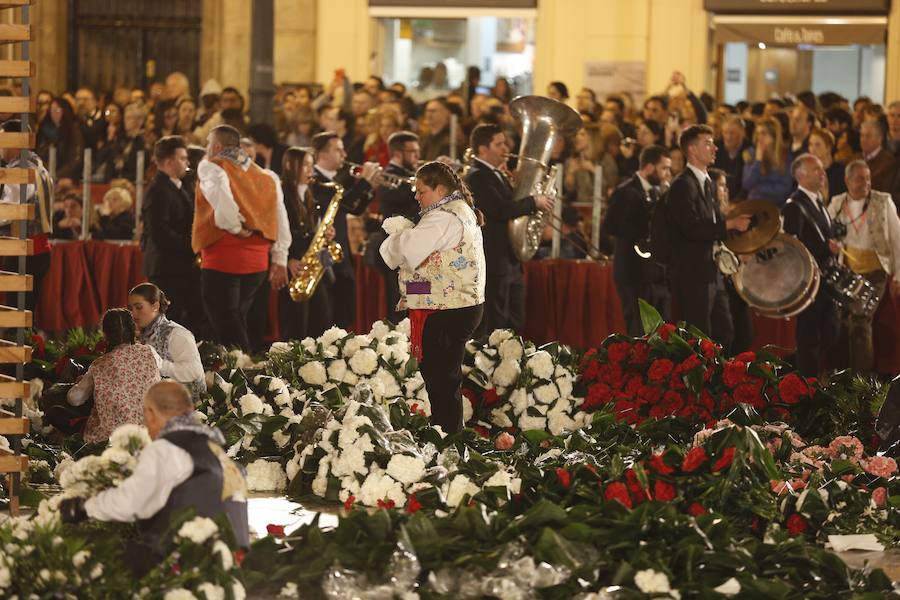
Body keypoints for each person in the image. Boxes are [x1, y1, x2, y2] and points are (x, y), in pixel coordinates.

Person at [59, 381, 250, 577]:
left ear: (150, 413)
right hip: (230, 565)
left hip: (185, 564)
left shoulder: (167, 449)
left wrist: (84, 507)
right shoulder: (216, 452)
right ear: (190, 410)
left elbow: (131, 503)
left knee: (85, 554)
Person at [380, 161, 485, 433]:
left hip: (447, 310)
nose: (416, 196)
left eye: (421, 190)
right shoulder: (460, 210)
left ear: (439, 190)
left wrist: (396, 235)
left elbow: (406, 251)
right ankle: (449, 434)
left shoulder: (442, 217)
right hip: (459, 304)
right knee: (444, 379)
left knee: (441, 381)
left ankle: (448, 439)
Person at [191, 124, 291, 352]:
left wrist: (236, 227)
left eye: (208, 143)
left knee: (225, 323)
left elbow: (224, 208)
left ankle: (243, 374)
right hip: (257, 263)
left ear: (217, 146)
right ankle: (230, 375)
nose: (206, 148)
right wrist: (280, 258)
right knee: (237, 319)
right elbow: (280, 218)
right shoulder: (267, 176)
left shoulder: (211, 166)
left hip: (223, 257)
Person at [666, 124, 750, 340]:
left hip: (712, 271)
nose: (715, 148)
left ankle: (720, 374)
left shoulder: (708, 183)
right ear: (692, 150)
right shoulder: (682, 185)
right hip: (693, 272)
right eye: (708, 143)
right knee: (700, 336)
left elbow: (712, 223)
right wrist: (729, 225)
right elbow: (690, 228)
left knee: (725, 332)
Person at [827, 160, 900, 373]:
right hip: (846, 272)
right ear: (847, 181)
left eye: (868, 178)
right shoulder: (837, 203)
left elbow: (897, 239)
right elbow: (827, 233)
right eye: (860, 179)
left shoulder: (883, 201)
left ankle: (863, 382)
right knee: (838, 320)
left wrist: (898, 277)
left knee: (860, 320)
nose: (866, 183)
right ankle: (841, 376)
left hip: (876, 272)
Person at [310, 131, 381, 330]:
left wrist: (369, 189)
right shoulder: (315, 180)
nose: (344, 154)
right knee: (328, 313)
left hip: (342, 253)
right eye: (338, 150)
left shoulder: (338, 179)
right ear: (322, 154)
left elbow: (353, 208)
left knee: (346, 308)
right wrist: (364, 182)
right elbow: (336, 204)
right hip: (323, 256)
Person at [782, 154, 841, 377]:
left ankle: (796, 368)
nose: (823, 173)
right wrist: (827, 248)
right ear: (801, 175)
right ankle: (805, 385)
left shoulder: (818, 201)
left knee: (831, 331)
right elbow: (792, 247)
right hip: (808, 282)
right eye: (817, 170)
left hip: (826, 279)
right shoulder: (794, 206)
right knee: (810, 335)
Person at [604, 145, 672, 336]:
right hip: (632, 272)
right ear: (650, 167)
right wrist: (642, 226)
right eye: (664, 168)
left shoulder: (657, 192)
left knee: (660, 330)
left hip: (653, 273)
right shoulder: (625, 191)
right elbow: (609, 226)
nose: (667, 174)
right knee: (638, 328)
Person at [67, 308, 161, 444]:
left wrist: (83, 382)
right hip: (149, 434)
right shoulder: (149, 352)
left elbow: (73, 399)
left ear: (105, 334)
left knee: (58, 412)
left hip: (109, 441)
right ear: (133, 329)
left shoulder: (99, 365)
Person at [141, 135, 203, 333]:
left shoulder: (178, 186)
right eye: (183, 158)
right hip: (167, 267)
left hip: (179, 266)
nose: (187, 163)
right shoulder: (159, 190)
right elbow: (160, 232)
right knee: (170, 320)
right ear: (169, 162)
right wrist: (192, 246)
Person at [280, 147, 336, 339]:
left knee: (322, 317)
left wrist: (325, 233)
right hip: (294, 264)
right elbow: (276, 230)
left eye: (311, 165)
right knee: (296, 322)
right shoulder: (281, 194)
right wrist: (287, 259)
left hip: (311, 264)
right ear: (289, 165)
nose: (310, 170)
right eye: (305, 165)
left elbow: (312, 229)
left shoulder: (311, 195)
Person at [373, 131, 420, 324]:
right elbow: (402, 203)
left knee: (415, 296)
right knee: (400, 300)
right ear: (398, 154)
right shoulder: (388, 177)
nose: (417, 156)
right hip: (398, 252)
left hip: (415, 251)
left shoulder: (411, 176)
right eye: (413, 152)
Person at [129, 283, 206, 400]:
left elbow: (194, 372)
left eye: (139, 307)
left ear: (155, 306)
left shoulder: (177, 334)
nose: (133, 314)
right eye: (131, 308)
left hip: (186, 406)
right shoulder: (140, 335)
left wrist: (159, 365)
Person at [710, 167, 752, 355]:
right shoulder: (711, 215)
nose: (725, 191)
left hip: (732, 278)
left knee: (745, 333)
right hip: (717, 278)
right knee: (725, 332)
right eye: (720, 186)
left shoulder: (728, 214)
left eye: (726, 186)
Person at [741, 116, 793, 206]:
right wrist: (758, 161)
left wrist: (758, 188)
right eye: (758, 133)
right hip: (754, 204)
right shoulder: (750, 154)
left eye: (764, 133)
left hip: (777, 206)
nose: (759, 137)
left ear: (774, 136)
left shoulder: (785, 156)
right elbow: (747, 183)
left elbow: (785, 188)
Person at [860, 119, 900, 207]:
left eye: (868, 136)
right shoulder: (855, 159)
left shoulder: (888, 162)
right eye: (862, 135)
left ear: (880, 138)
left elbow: (884, 192)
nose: (863, 140)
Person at [713, 115, 749, 201]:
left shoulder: (750, 150)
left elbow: (747, 185)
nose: (728, 137)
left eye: (732, 133)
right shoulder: (715, 148)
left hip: (742, 202)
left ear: (742, 134)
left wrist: (735, 203)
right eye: (725, 132)